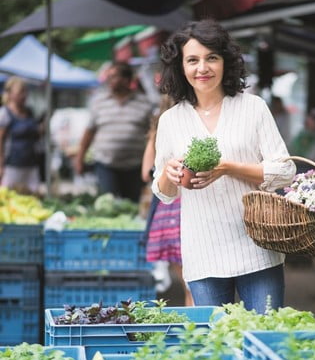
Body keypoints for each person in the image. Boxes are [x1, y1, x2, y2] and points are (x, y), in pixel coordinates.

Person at [151, 19, 296, 313]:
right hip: (202, 251)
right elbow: (163, 192)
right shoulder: (171, 120)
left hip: (258, 246)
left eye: (211, 58)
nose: (202, 68)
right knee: (216, 347)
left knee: (264, 337)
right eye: (192, 60)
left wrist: (228, 168)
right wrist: (170, 174)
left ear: (225, 63)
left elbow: (285, 171)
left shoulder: (253, 107)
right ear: (180, 66)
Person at [74, 61, 154, 201]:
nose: (109, 80)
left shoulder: (144, 103)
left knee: (131, 205)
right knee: (108, 204)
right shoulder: (99, 101)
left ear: (126, 79)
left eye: (114, 76)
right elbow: (89, 132)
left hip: (135, 166)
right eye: (108, 76)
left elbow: (152, 135)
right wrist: (80, 158)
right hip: (106, 165)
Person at [142, 95, 193, 306]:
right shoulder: (197, 123)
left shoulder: (159, 128)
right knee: (196, 285)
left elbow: (146, 172)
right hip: (187, 210)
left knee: (187, 283)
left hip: (168, 213)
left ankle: (193, 330)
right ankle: (197, 330)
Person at [0, 77, 44, 193]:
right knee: (8, 195)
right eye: (20, 92)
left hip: (31, 163)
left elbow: (36, 135)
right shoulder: (5, 113)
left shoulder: (29, 112)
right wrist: (1, 165)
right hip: (12, 164)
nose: (24, 95)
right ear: (10, 94)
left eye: (25, 91)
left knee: (33, 194)